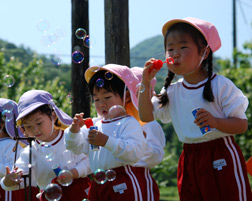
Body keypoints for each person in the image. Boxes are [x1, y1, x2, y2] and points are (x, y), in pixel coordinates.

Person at [138, 17, 252, 201]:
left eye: (183, 47)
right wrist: (145, 82)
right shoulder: (172, 91)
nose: (175, 54)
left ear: (205, 52)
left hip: (221, 153)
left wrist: (216, 122)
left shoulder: (220, 85)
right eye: (170, 48)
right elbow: (146, 116)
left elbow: (241, 125)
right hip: (189, 158)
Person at [65, 64, 160, 201]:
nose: (101, 104)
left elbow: (134, 153)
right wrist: (74, 131)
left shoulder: (129, 122)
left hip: (123, 180)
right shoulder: (95, 125)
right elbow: (76, 147)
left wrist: (106, 141)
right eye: (96, 99)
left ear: (126, 97)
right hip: (99, 183)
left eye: (107, 97)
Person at [0, 90, 91, 201]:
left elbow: (89, 161)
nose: (35, 130)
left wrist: (73, 173)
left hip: (79, 193)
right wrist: (7, 181)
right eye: (28, 126)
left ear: (53, 116)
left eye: (39, 123)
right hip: (50, 196)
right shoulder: (30, 151)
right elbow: (21, 179)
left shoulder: (70, 138)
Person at [130, 67, 166, 169]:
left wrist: (141, 142)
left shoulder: (149, 124)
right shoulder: (124, 120)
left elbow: (155, 156)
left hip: (138, 174)